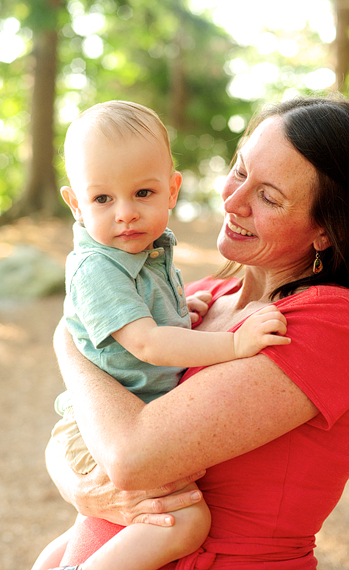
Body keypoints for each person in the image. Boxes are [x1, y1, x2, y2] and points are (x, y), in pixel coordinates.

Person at [37, 96, 349, 570]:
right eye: (240, 171)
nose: (232, 200)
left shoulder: (330, 324)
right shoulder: (196, 300)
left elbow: (129, 458)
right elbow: (82, 437)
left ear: (325, 230)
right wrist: (78, 486)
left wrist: (67, 339)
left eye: (268, 196)